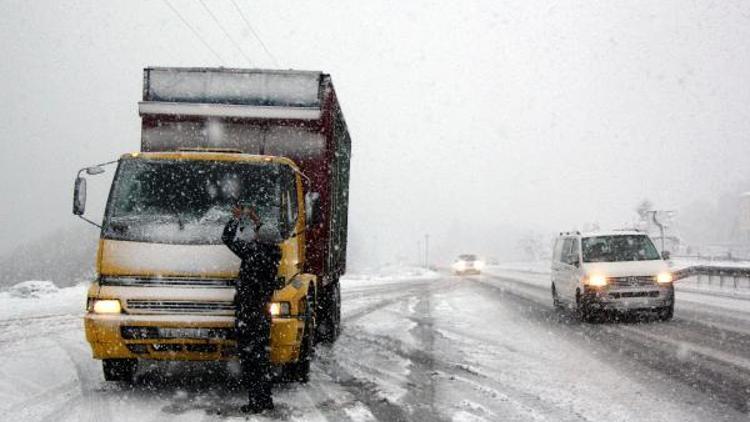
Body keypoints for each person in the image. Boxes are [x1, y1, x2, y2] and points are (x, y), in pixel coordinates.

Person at [222, 205, 282, 413]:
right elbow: (266, 235)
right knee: (261, 359)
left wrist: (236, 219)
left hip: (249, 314)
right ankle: (265, 399)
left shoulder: (254, 253)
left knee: (250, 360)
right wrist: (258, 222)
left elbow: (227, 238)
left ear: (259, 239)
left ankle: (256, 402)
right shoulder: (273, 254)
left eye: (256, 234)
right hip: (262, 314)